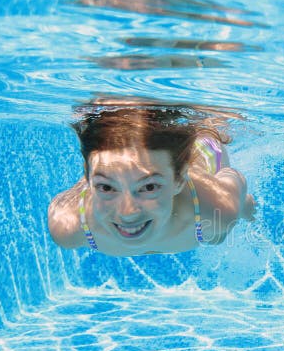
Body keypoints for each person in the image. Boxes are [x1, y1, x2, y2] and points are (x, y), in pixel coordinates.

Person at [48, 105, 255, 256]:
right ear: (87, 178)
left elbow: (235, 177)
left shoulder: (219, 208)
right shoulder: (68, 227)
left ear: (179, 180)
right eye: (107, 187)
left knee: (220, 230)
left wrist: (241, 205)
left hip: (203, 155)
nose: (127, 213)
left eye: (148, 187)